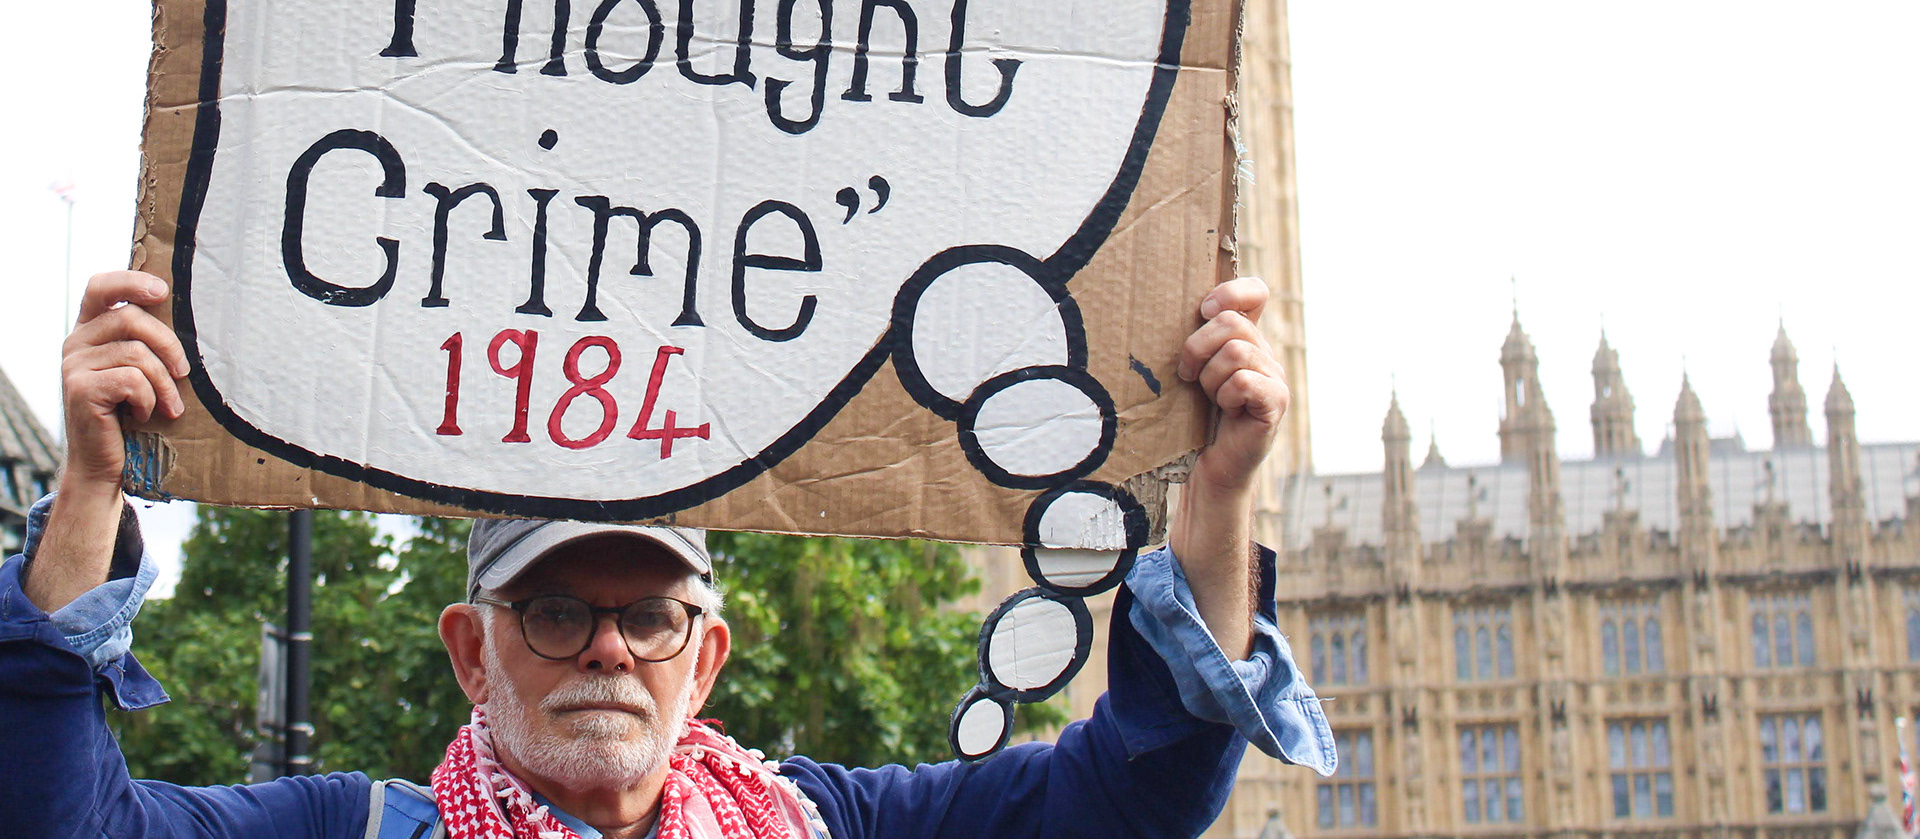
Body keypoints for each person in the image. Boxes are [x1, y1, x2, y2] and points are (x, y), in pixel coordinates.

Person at [2, 269, 1333, 839]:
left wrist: (1216, 502)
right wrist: (93, 487)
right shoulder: (356, 830)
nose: (606, 650)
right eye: (555, 610)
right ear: (471, 651)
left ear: (705, 660)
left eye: (650, 617)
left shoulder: (823, 823)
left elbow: (1130, 800)